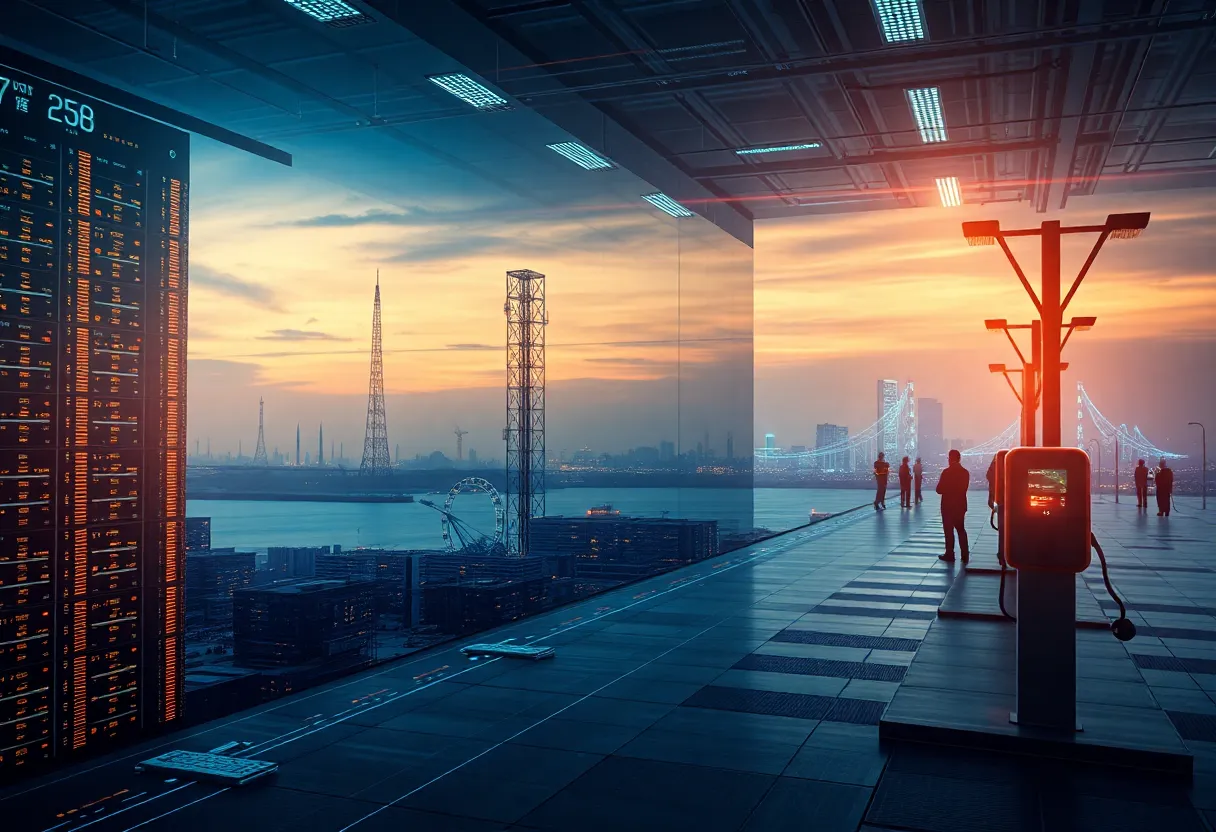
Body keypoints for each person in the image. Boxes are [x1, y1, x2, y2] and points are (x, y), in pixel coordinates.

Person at [937, 449, 971, 564]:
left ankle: (950, 553)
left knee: (948, 530)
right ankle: (965, 554)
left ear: (950, 459)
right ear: (959, 458)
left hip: (947, 506)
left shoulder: (946, 472)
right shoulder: (965, 472)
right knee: (961, 529)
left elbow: (939, 489)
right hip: (960, 505)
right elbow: (964, 489)